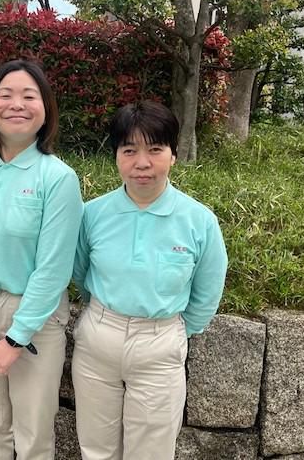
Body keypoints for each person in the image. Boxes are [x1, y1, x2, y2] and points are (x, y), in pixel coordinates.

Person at [72, 100, 228, 460]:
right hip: (99, 338)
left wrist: (176, 331)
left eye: (155, 149)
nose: (142, 163)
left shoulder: (199, 221)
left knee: (152, 452)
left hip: (160, 344)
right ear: (116, 156)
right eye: (129, 150)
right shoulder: (92, 215)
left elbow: (207, 290)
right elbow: (80, 271)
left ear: (173, 155)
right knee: (96, 448)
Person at [0, 59, 83, 460]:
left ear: (46, 108)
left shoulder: (57, 178)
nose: (16, 104)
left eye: (29, 96)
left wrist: (15, 338)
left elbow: (54, 267)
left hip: (36, 318)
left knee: (33, 432)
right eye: (5, 95)